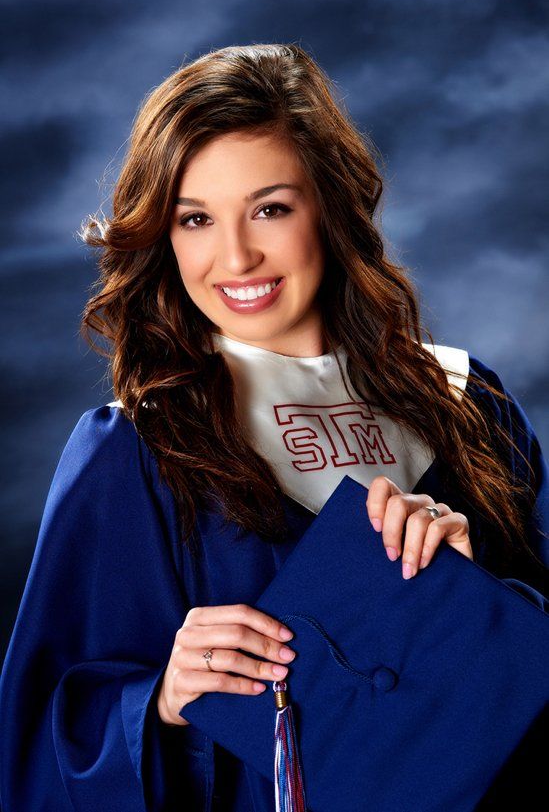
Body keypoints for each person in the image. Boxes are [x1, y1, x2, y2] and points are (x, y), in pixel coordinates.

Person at [0, 42, 547, 812]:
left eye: (269, 208)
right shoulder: (137, 450)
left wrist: (481, 602)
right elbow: (35, 744)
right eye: (195, 218)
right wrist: (159, 700)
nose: (235, 257)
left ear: (329, 206)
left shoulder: (467, 405)